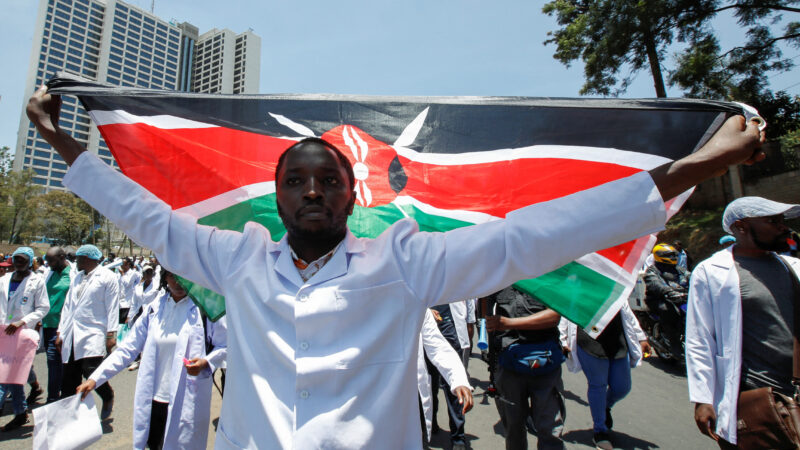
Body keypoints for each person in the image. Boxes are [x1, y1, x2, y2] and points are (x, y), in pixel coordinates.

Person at [27, 84, 765, 448]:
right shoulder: (235, 256)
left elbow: (532, 237)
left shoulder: (405, 261)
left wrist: (697, 167)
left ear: (355, 194)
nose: (312, 190)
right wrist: (60, 142)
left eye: (328, 179)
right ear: (276, 197)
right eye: (296, 180)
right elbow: (146, 216)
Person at [686, 196, 800, 448]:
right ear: (741, 227)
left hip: (794, 391)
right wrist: (703, 398)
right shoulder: (711, 271)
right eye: (773, 221)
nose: (783, 227)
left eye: (782, 220)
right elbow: (699, 338)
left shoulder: (792, 267)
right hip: (752, 397)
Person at [77, 269, 227, 449]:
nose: (179, 282)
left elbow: (225, 345)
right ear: (165, 277)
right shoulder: (156, 307)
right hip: (154, 399)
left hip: (186, 399)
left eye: (184, 276)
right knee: (154, 444)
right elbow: (128, 348)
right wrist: (95, 379)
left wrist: (207, 362)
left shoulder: (205, 308)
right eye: (173, 275)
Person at [559, 303, 651, 449]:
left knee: (622, 387)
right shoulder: (578, 283)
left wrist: (641, 338)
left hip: (617, 339)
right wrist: (562, 339)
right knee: (598, 385)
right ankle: (600, 431)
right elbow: (567, 309)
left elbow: (626, 310)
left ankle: (605, 407)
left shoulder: (613, 282)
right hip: (589, 341)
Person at [486, 286, 566, 450]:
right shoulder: (499, 275)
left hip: (545, 365)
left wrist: (509, 323)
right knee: (514, 432)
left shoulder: (546, 274)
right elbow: (485, 312)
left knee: (550, 431)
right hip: (509, 368)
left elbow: (554, 316)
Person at [56, 244, 119, 419]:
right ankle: (70, 415)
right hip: (73, 331)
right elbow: (68, 307)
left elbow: (113, 307)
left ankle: (107, 396)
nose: (76, 262)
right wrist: (61, 331)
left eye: (79, 258)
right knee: (69, 376)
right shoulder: (77, 277)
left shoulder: (107, 277)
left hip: (94, 331)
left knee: (92, 371)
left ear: (88, 259)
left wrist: (111, 334)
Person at [0, 247, 50, 431]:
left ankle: (20, 412)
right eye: (16, 259)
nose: (19, 263)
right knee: (12, 375)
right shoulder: (4, 280)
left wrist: (22, 321)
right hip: (2, 333)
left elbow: (43, 308)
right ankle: (21, 413)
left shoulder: (36, 281)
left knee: (5, 377)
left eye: (23, 260)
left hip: (21, 334)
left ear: (30, 262)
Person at [417, 309, 473, 447]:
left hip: (447, 328)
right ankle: (430, 421)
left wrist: (458, 379)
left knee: (449, 391)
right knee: (431, 386)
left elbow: (438, 347)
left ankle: (458, 438)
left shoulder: (414, 305)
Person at [644, 243, 689, 359]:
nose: (673, 258)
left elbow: (691, 276)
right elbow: (655, 283)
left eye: (674, 255)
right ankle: (674, 342)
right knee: (668, 310)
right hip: (659, 299)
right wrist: (668, 292)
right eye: (670, 255)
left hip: (680, 298)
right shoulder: (653, 271)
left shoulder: (679, 269)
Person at [41, 246, 73, 403]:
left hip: (62, 326)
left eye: (52, 260)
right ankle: (58, 395)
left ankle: (53, 398)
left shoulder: (72, 274)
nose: (49, 264)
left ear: (62, 257)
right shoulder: (50, 273)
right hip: (47, 324)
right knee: (52, 361)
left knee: (55, 361)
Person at [117, 257, 141, 325]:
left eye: (123, 263)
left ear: (128, 264)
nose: (121, 265)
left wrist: (122, 274)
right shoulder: (119, 274)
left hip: (126, 303)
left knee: (123, 325)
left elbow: (127, 284)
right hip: (118, 303)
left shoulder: (133, 273)